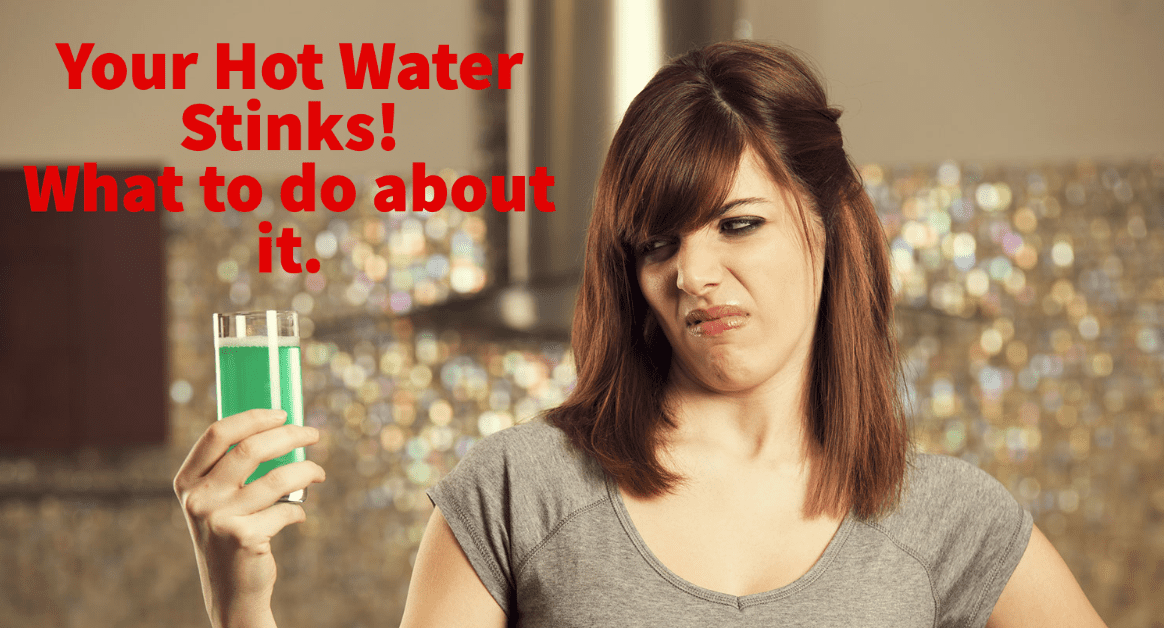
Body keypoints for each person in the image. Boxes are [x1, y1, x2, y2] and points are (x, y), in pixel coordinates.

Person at [174, 41, 1108, 627]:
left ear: (828, 222)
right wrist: (242, 602)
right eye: (658, 242)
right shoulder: (516, 493)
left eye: (737, 224)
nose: (693, 276)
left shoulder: (949, 519)